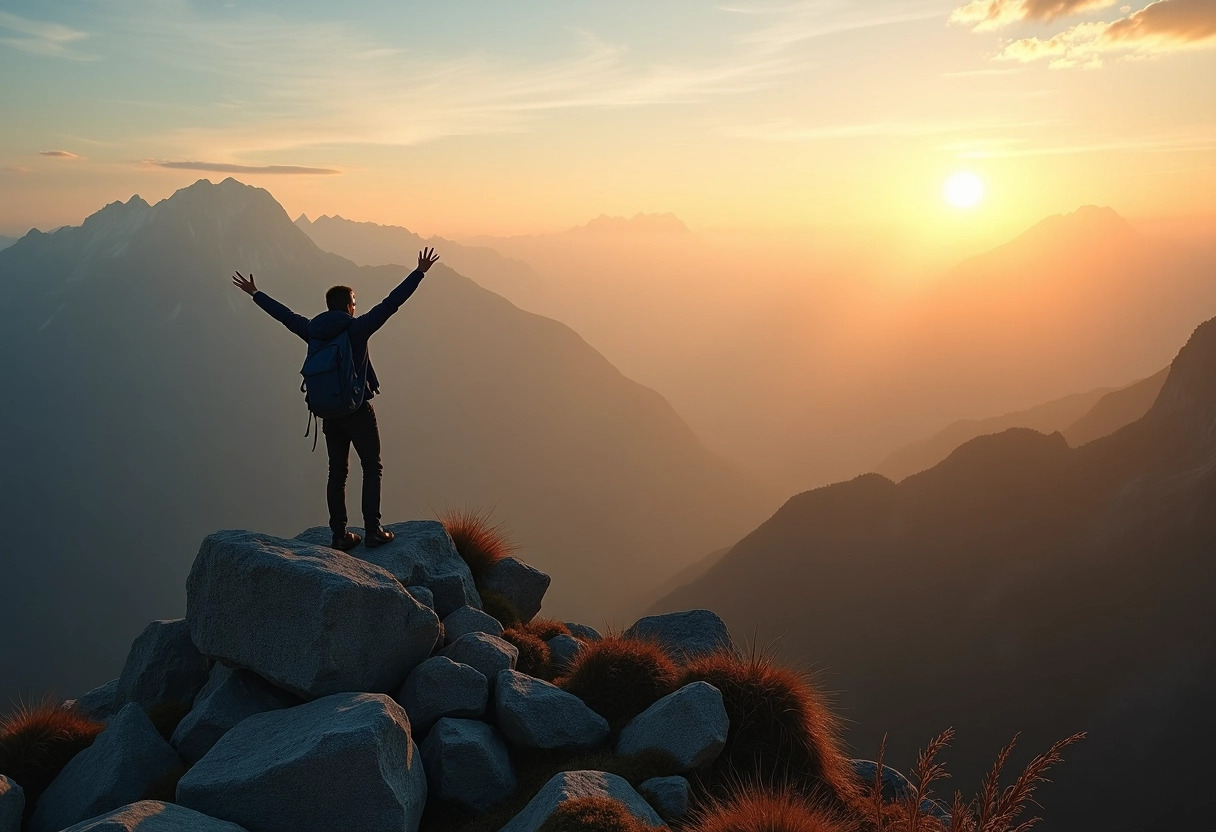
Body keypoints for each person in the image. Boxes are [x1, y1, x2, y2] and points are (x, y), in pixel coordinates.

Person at [231, 247, 440, 551]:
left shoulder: (312, 331)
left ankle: (339, 535)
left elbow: (284, 316)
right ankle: (372, 530)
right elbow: (391, 303)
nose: (357, 307)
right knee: (372, 466)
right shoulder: (356, 329)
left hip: (328, 413)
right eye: (355, 302)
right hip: (357, 409)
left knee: (337, 473)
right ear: (347, 306)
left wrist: (255, 293)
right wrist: (419, 272)